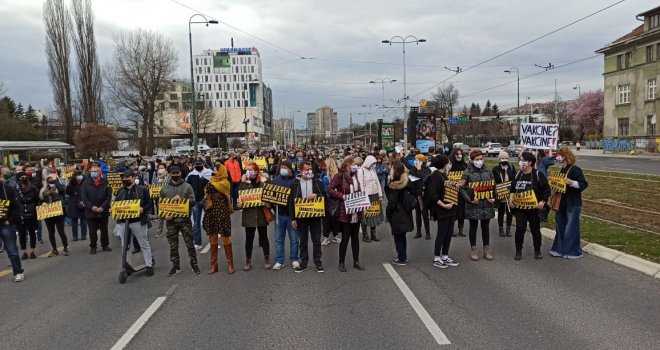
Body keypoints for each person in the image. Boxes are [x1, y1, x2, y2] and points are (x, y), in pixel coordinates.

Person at [509, 152, 551, 260]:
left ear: (530, 162)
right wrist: (511, 199)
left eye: (523, 160)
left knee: (535, 230)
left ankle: (537, 250)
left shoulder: (538, 175)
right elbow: (512, 189)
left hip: (534, 209)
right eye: (521, 160)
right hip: (520, 209)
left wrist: (543, 201)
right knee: (520, 229)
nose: (521, 162)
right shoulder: (518, 174)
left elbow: (546, 190)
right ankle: (518, 251)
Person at [114, 169, 154, 277]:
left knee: (143, 243)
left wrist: (143, 209)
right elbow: (115, 204)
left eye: (128, 177)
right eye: (124, 177)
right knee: (125, 245)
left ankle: (149, 265)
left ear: (133, 177)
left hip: (138, 221)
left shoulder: (142, 190)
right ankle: (126, 265)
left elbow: (149, 204)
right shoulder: (120, 191)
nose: (125, 179)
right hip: (123, 222)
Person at [550, 147, 588, 259]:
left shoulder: (575, 169)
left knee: (571, 227)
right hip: (562, 203)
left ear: (565, 156)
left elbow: (583, 184)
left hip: (572, 203)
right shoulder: (563, 169)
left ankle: (571, 251)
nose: (557, 158)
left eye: (559, 155)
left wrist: (571, 182)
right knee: (560, 226)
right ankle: (559, 249)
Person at [328, 156, 365, 272]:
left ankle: (356, 261)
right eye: (353, 164)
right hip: (345, 211)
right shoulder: (340, 176)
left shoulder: (356, 176)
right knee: (345, 237)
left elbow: (358, 190)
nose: (355, 166)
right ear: (347, 164)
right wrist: (342, 196)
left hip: (356, 209)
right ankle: (341, 262)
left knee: (355, 238)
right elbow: (330, 189)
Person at [161, 166, 199, 276]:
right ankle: (175, 266)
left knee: (190, 244)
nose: (176, 175)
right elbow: (161, 205)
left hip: (184, 220)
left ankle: (194, 264)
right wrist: (165, 216)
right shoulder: (165, 189)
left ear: (180, 174)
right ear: (169, 174)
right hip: (171, 221)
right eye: (173, 173)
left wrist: (182, 200)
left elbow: (193, 200)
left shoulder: (187, 186)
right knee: (173, 245)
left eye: (177, 173)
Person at [289, 161, 327, 273]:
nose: (308, 171)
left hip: (315, 216)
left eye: (310, 169)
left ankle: (318, 263)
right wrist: (293, 218)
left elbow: (324, 196)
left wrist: (317, 195)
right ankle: (303, 263)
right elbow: (291, 202)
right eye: (306, 169)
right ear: (300, 171)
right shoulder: (294, 183)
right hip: (301, 217)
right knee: (303, 241)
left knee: (316, 240)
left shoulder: (317, 182)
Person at [459, 150, 496, 261]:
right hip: (474, 205)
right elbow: (461, 188)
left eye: (481, 159)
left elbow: (493, 185)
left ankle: (486, 249)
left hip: (487, 204)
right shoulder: (467, 172)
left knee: (485, 228)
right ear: (472, 160)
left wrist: (493, 197)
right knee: (473, 227)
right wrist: (469, 199)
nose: (479, 161)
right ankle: (473, 249)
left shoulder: (488, 170)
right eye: (477, 159)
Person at [426, 155, 459, 268]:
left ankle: (445, 255)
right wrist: (444, 205)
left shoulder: (445, 175)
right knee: (442, 233)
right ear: (443, 164)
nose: (449, 165)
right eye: (448, 163)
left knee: (449, 233)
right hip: (442, 210)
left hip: (450, 209)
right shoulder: (435, 176)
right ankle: (436, 257)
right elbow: (433, 195)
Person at [237, 162, 271, 271]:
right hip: (249, 214)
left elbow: (270, 197)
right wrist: (239, 204)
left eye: (251, 169)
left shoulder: (264, 182)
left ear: (256, 171)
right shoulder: (243, 184)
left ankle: (266, 258)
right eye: (247, 170)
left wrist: (268, 203)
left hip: (261, 213)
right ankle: (248, 260)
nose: (249, 172)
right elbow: (239, 198)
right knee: (249, 238)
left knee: (263, 236)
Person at [204, 163, 234, 274]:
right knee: (213, 239)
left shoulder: (225, 183)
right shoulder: (213, 181)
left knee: (225, 238)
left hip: (222, 214)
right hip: (212, 213)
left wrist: (210, 185)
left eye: (216, 170)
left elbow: (209, 188)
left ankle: (230, 264)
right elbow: (207, 190)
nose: (214, 172)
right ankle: (213, 265)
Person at [270, 160, 300, 270]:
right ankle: (279, 260)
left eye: (285, 167)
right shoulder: (276, 180)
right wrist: (272, 205)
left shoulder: (296, 181)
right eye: (281, 167)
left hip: (292, 216)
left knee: (294, 239)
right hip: (279, 214)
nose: (283, 169)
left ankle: (295, 259)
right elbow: (271, 196)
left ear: (290, 169)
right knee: (279, 239)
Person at [385, 161, 415, 265]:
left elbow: (392, 203)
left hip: (397, 214)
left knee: (398, 237)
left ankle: (401, 258)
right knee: (403, 236)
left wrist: (388, 213)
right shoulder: (407, 181)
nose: (390, 170)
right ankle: (403, 256)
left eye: (392, 168)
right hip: (406, 212)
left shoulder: (394, 185)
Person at [81, 165, 112, 254]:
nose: (93, 173)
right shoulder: (86, 183)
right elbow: (84, 197)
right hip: (90, 211)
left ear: (100, 172)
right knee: (92, 230)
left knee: (104, 229)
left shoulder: (106, 182)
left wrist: (103, 207)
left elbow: (108, 196)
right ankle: (93, 246)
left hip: (103, 210)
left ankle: (105, 245)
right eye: (91, 171)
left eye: (95, 171)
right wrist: (92, 207)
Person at [0, 171, 24, 282]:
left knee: (12, 250)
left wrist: (10, 220)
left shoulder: (8, 189)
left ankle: (18, 272)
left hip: (6, 225)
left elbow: (16, 206)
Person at [40, 174, 69, 257]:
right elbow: (41, 198)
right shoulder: (44, 188)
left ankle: (65, 247)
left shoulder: (60, 186)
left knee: (61, 231)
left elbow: (62, 190)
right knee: (51, 232)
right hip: (48, 213)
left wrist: (56, 181)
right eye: (49, 179)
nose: (50, 180)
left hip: (59, 213)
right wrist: (43, 203)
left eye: (52, 179)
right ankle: (54, 249)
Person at [357, 155, 384, 242]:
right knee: (365, 215)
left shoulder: (373, 170)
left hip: (375, 194)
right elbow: (361, 184)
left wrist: (380, 195)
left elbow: (377, 182)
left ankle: (373, 233)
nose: (374, 165)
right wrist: (363, 197)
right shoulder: (361, 171)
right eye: (372, 163)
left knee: (374, 214)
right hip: (367, 195)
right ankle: (365, 234)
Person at [186, 159, 212, 249]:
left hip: (206, 200)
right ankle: (198, 242)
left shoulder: (209, 173)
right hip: (196, 201)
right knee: (196, 222)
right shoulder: (191, 175)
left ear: (203, 164)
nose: (198, 166)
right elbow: (187, 187)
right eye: (196, 164)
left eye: (199, 164)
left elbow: (214, 184)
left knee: (210, 221)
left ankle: (213, 241)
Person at [15, 172, 39, 260]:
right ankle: (24, 252)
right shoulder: (16, 189)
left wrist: (32, 207)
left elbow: (37, 200)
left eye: (25, 177)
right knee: (22, 234)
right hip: (20, 214)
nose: (24, 179)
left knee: (32, 232)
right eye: (22, 178)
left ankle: (32, 251)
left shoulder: (33, 188)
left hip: (31, 213)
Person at [492, 151, 516, 237]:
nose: (504, 160)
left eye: (506, 158)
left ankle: (508, 229)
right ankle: (501, 229)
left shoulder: (512, 167)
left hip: (510, 193)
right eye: (502, 158)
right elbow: (493, 181)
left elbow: (514, 179)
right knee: (501, 211)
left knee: (509, 212)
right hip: (500, 193)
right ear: (499, 159)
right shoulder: (495, 169)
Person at [410, 154, 432, 239]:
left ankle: (427, 232)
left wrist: (419, 171)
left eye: (417, 160)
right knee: (417, 214)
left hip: (423, 195)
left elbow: (425, 179)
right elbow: (411, 180)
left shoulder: (427, 169)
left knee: (424, 214)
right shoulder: (412, 169)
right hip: (416, 194)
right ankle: (418, 232)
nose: (415, 161)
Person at [449, 148, 467, 237]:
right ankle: (451, 230)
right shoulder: (450, 166)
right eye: (457, 154)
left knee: (462, 211)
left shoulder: (465, 165)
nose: (459, 156)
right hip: (453, 191)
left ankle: (461, 229)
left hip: (463, 192)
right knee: (453, 211)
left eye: (460, 154)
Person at [66, 170, 87, 241]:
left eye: (80, 174)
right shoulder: (72, 183)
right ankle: (75, 236)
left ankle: (83, 235)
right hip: (73, 203)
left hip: (83, 202)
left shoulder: (85, 182)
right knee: (74, 221)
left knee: (83, 220)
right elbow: (68, 192)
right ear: (74, 176)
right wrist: (68, 185)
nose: (80, 176)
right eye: (78, 175)